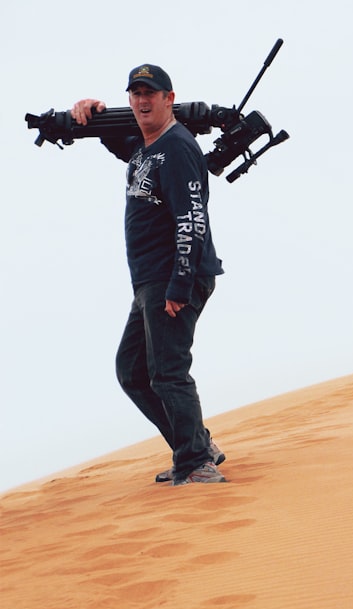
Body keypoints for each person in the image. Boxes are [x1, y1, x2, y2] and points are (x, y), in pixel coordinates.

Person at [71, 64, 227, 486]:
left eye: (151, 93)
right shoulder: (147, 147)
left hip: (172, 277)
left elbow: (191, 218)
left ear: (169, 99)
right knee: (133, 371)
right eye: (135, 93)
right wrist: (94, 113)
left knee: (168, 371)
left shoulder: (177, 147)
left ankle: (196, 463)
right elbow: (123, 145)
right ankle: (194, 444)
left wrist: (179, 283)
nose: (142, 101)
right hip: (149, 280)